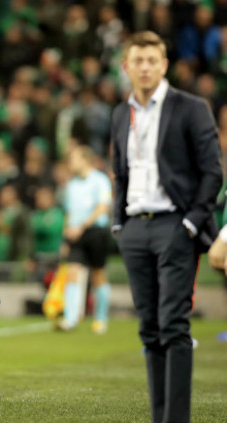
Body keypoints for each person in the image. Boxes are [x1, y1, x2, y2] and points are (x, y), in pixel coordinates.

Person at [111, 31, 222, 423]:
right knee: (149, 328)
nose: (144, 67)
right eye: (137, 60)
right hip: (134, 230)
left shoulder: (190, 107)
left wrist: (192, 223)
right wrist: (117, 223)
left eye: (152, 60)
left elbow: (213, 172)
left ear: (164, 65)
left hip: (176, 225)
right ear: (126, 66)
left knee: (174, 325)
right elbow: (120, 174)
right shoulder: (119, 113)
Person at [58, 145, 112, 334]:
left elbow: (102, 207)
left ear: (85, 159)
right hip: (75, 234)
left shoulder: (100, 180)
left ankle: (100, 318)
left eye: (74, 158)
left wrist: (82, 226)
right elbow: (69, 212)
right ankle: (71, 318)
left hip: (95, 232)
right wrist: (67, 233)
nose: (71, 163)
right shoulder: (72, 184)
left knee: (98, 274)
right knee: (72, 271)